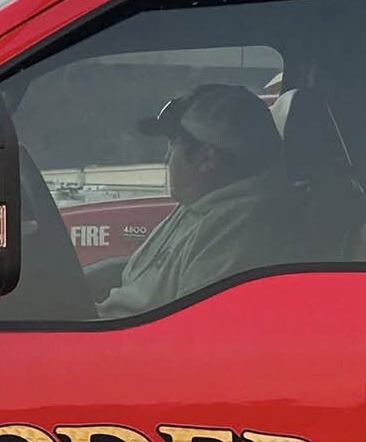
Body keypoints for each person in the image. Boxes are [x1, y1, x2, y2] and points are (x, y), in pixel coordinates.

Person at [98, 82, 295, 319]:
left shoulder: (240, 228)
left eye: (173, 145)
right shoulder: (200, 202)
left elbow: (186, 329)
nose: (166, 158)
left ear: (206, 159)